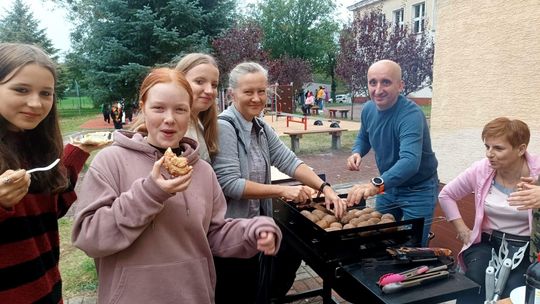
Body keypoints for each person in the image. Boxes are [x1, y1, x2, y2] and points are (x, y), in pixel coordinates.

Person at [71, 67, 282, 304]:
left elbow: (212, 234)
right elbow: (89, 237)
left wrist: (252, 230)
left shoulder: (202, 171)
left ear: (190, 113)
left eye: (180, 109)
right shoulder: (110, 162)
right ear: (143, 107)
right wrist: (151, 193)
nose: (169, 119)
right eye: (158, 108)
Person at [212, 62, 347, 304]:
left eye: (261, 91)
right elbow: (230, 184)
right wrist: (284, 190)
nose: (256, 98)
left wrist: (325, 188)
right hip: (229, 236)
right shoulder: (225, 127)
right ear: (232, 94)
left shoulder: (260, 127)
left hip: (254, 233)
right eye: (248, 92)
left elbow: (290, 161)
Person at [0, 42, 104, 303]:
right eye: (21, 89)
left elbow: (49, 210)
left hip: (47, 290)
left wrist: (78, 152)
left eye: (46, 93)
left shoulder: (37, 144)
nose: (35, 103)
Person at [439, 117, 540, 302]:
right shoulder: (481, 169)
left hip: (527, 248)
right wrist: (462, 230)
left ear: (521, 149)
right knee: (474, 283)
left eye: (498, 148)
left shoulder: (538, 171)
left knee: (515, 292)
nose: (489, 154)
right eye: (487, 147)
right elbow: (446, 195)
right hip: (488, 243)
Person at [346, 59, 438, 246]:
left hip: (418, 189)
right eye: (373, 82)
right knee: (380, 238)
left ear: (400, 85)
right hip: (389, 186)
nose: (378, 90)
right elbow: (364, 137)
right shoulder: (368, 109)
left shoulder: (411, 115)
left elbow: (410, 161)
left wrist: (376, 185)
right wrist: (357, 152)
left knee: (412, 246)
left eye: (386, 82)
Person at [175, 53, 220, 163]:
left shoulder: (201, 124)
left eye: (214, 85)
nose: (209, 90)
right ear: (180, 81)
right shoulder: (169, 128)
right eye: (199, 82)